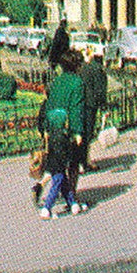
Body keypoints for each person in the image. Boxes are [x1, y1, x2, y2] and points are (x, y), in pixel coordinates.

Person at [37, 50, 87, 219]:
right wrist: (78, 132)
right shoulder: (77, 83)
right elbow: (76, 108)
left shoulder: (56, 82)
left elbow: (49, 105)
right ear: (76, 65)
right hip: (68, 131)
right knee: (69, 167)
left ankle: (72, 203)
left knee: (58, 165)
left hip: (53, 130)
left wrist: (45, 129)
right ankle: (53, 204)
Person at [77, 46, 108, 172]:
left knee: (78, 132)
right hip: (90, 105)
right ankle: (84, 161)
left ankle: (80, 162)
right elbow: (100, 90)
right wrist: (104, 107)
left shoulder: (78, 68)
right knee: (87, 133)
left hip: (78, 104)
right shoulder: (97, 69)